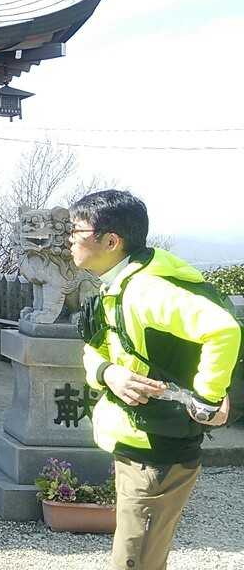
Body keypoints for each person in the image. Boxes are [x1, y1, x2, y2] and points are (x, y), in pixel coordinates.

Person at [71, 190, 240, 570]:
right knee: (141, 554)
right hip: (137, 442)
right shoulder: (119, 283)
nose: (68, 239)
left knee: (135, 560)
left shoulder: (145, 291)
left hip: (158, 453)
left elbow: (224, 330)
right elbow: (95, 348)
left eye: (76, 230)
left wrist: (207, 400)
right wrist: (108, 373)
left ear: (111, 241)